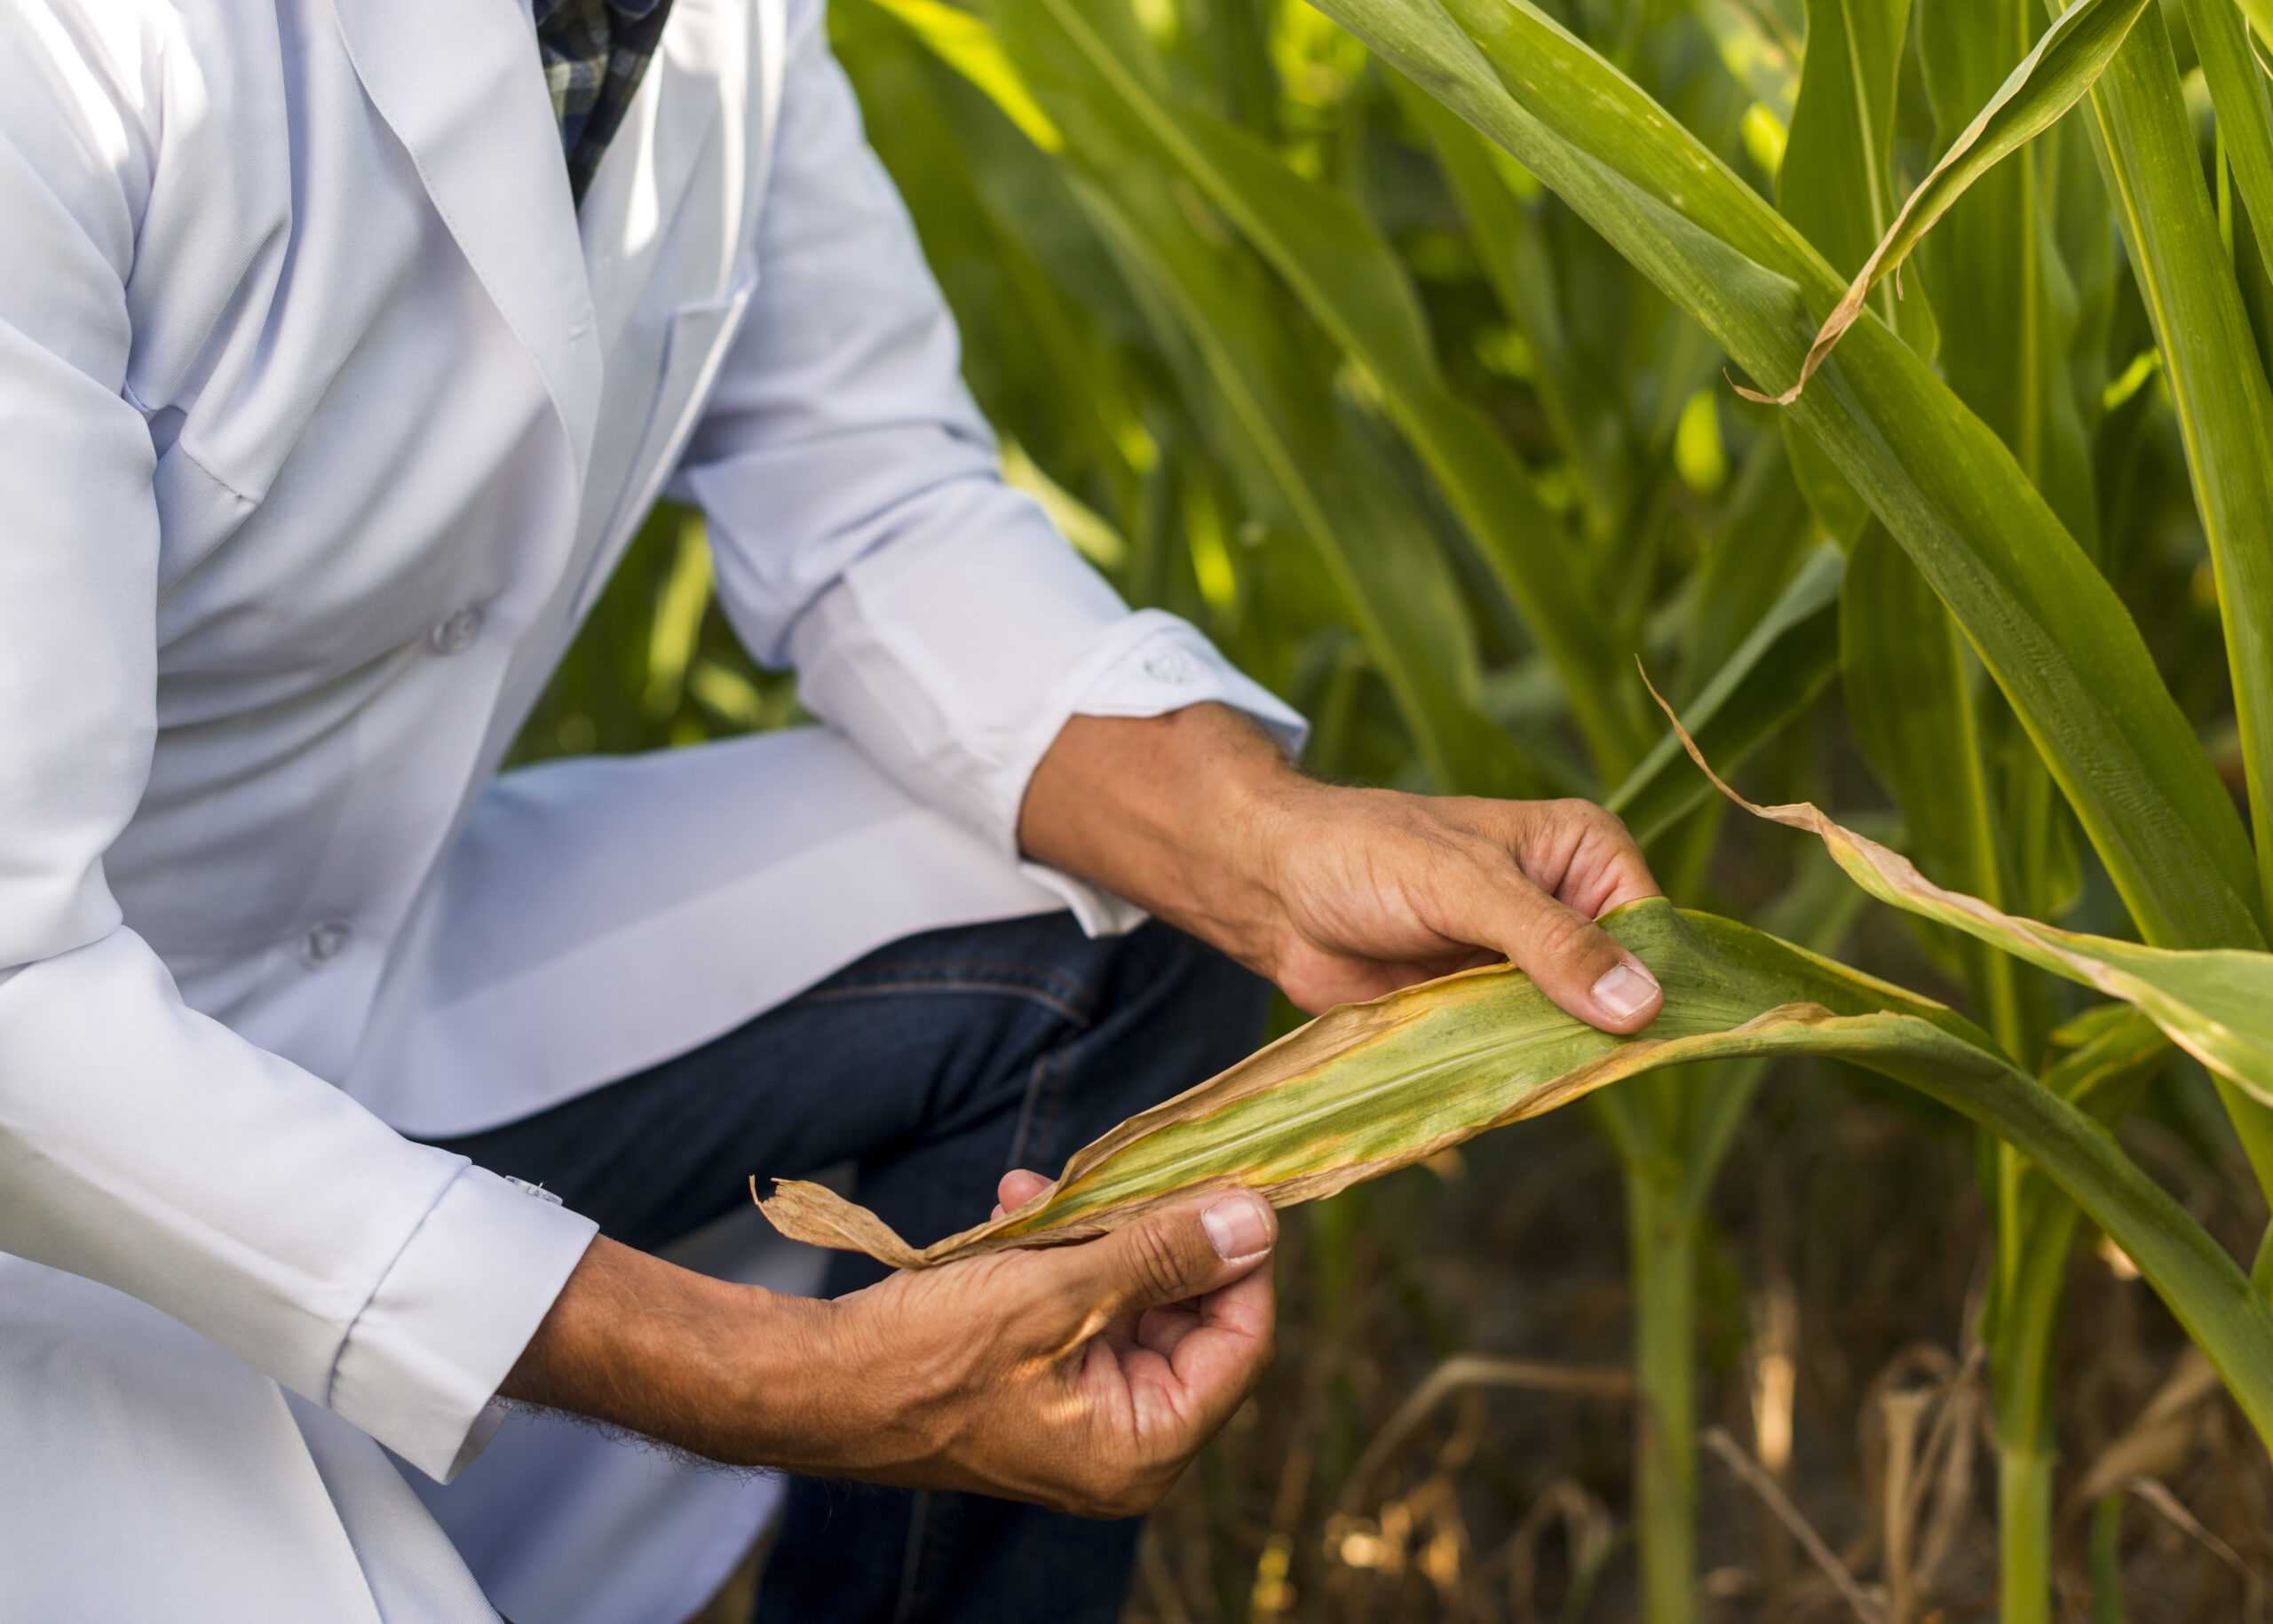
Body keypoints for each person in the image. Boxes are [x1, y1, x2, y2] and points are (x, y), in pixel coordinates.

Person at [0, 0, 1666, 1618]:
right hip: (40, 1168)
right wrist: (774, 1376)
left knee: (1126, 914)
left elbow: (866, 496)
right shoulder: (71, 53)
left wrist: (1266, 841)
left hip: (349, 987)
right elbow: (20, 1005)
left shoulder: (706, 27)